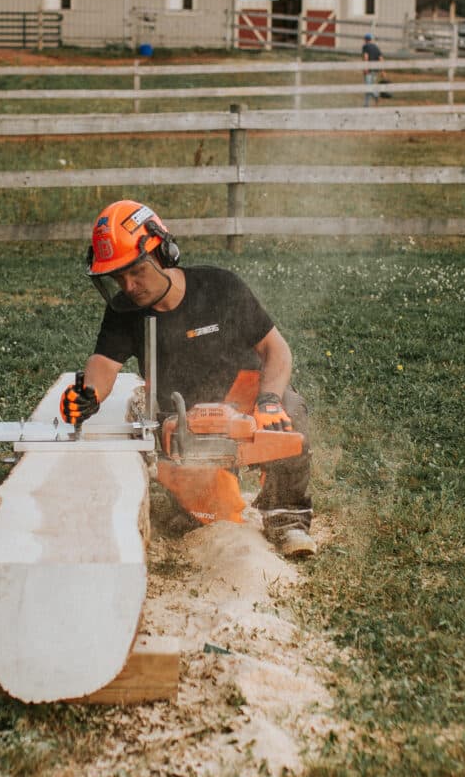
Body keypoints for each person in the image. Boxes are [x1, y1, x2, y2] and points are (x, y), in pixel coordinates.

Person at [60, 199, 316, 558]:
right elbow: (103, 366)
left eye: (136, 272)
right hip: (180, 419)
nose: (129, 286)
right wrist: (86, 395)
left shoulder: (220, 287)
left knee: (289, 410)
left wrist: (268, 400)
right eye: (118, 277)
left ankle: (287, 518)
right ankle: (216, 494)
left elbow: (277, 350)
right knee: (215, 519)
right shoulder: (124, 312)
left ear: (164, 251)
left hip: (243, 398)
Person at [361, 32, 384, 106]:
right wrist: (382, 70)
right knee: (371, 86)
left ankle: (376, 96)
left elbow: (366, 57)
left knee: (368, 87)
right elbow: (381, 58)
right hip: (375, 70)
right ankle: (366, 104)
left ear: (365, 39)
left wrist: (366, 67)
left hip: (369, 70)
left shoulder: (365, 46)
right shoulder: (376, 47)